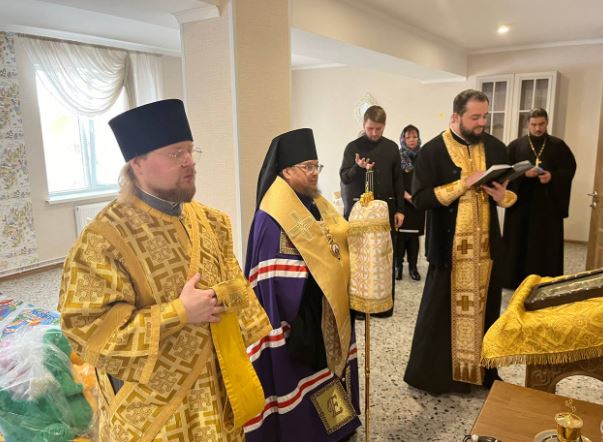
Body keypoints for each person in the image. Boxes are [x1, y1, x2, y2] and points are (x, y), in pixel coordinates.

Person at [58, 99, 272, 442]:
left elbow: (237, 286)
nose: (189, 161)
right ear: (138, 163)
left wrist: (224, 296)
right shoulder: (103, 240)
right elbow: (86, 331)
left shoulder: (212, 220)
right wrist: (179, 312)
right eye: (175, 153)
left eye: (190, 150)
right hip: (156, 408)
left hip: (214, 389)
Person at [244, 128, 360, 441]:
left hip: (325, 306)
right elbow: (271, 274)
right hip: (297, 316)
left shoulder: (315, 202)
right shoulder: (272, 214)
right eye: (307, 167)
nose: (314, 173)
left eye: (316, 166)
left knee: (328, 371)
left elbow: (336, 240)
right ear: (286, 171)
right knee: (306, 377)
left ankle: (338, 425)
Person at [403, 89, 518, 395]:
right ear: (456, 116)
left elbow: (509, 196)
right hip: (449, 251)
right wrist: (463, 184)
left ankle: (482, 373)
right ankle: (436, 378)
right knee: (439, 315)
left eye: (485, 116)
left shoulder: (495, 147)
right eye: (475, 117)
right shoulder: (432, 151)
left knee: (486, 312)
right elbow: (421, 199)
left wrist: (502, 196)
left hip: (486, 251)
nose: (482, 123)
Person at [339, 105, 404, 317]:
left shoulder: (392, 148)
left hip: (385, 213)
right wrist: (357, 167)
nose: (374, 133)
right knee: (359, 259)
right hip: (359, 215)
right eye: (370, 128)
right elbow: (345, 178)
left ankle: (383, 307)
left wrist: (400, 209)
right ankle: (358, 307)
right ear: (363, 124)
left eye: (378, 129)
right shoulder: (353, 147)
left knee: (384, 258)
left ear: (384, 126)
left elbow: (398, 180)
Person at [503, 108, 577, 289]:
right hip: (521, 205)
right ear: (527, 124)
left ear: (547, 123)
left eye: (541, 124)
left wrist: (552, 177)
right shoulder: (515, 146)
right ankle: (515, 280)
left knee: (546, 243)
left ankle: (546, 280)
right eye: (534, 124)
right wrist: (523, 175)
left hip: (548, 205)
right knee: (518, 240)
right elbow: (505, 173)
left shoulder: (558, 145)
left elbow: (569, 170)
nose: (537, 128)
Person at [395, 124, 425, 281]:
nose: (412, 140)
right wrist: (406, 196)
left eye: (415, 137)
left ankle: (413, 268)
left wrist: (418, 197)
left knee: (414, 238)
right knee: (400, 238)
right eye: (408, 137)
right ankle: (398, 267)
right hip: (402, 203)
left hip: (417, 203)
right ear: (403, 139)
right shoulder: (398, 157)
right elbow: (394, 181)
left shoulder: (423, 157)